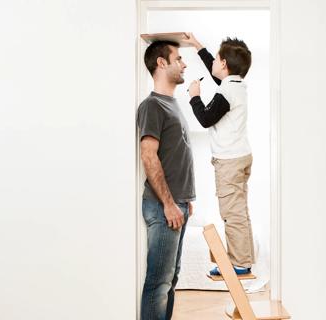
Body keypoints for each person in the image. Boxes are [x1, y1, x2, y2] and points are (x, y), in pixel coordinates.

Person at [182, 33, 254, 276]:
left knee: (231, 213)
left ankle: (240, 263)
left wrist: (194, 96)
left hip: (230, 162)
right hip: (241, 156)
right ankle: (243, 258)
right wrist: (197, 46)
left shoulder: (227, 93)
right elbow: (215, 73)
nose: (212, 62)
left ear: (224, 64)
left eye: (216, 59)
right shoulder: (236, 84)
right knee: (239, 211)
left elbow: (205, 119)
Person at [136, 40, 195, 320]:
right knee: (159, 284)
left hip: (177, 205)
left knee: (170, 281)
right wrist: (169, 204)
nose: (184, 64)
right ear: (162, 63)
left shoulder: (172, 104)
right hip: (163, 208)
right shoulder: (152, 105)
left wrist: (185, 198)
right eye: (178, 58)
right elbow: (149, 156)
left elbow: (176, 154)